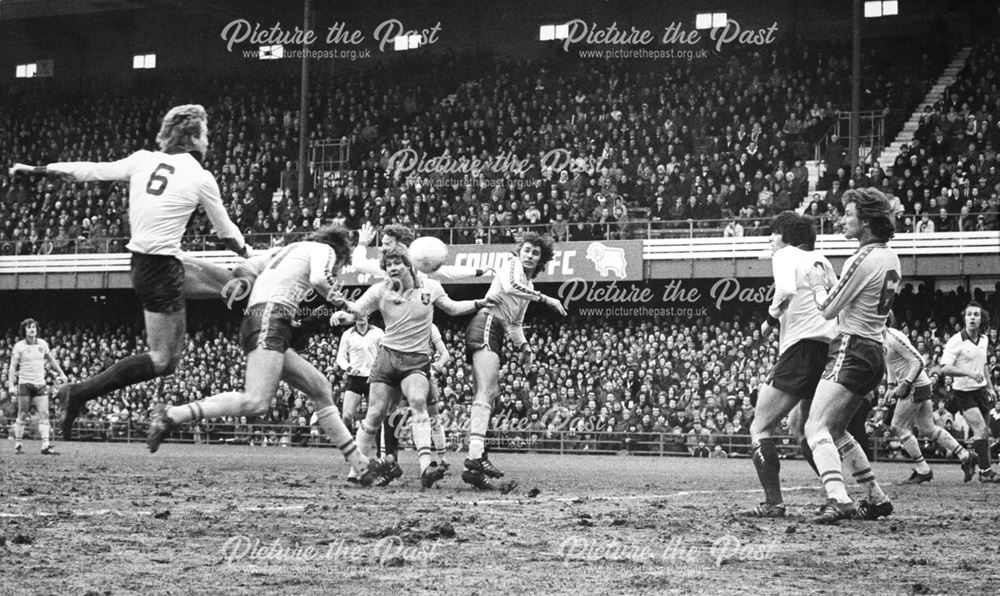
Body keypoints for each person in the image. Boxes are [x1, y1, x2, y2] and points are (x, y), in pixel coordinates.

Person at [9, 105, 251, 441]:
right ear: (194, 138)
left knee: (238, 282)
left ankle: (267, 329)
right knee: (164, 360)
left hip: (154, 263)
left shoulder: (142, 160)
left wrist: (38, 169)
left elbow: (89, 171)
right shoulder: (200, 176)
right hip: (161, 269)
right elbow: (226, 232)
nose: (209, 140)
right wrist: (247, 251)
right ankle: (79, 392)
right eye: (206, 133)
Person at [145, 225, 390, 485]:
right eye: (340, 266)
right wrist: (347, 304)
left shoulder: (281, 251)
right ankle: (172, 415)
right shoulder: (325, 250)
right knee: (256, 402)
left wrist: (264, 292)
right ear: (340, 254)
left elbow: (245, 269)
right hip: (269, 320)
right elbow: (320, 279)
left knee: (319, 387)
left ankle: (360, 466)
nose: (337, 270)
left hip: (265, 319)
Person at [332, 245, 492, 488]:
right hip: (387, 358)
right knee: (374, 414)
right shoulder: (379, 290)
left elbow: (453, 308)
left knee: (418, 402)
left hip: (416, 359)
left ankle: (426, 467)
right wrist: (344, 310)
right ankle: (358, 470)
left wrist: (480, 302)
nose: (393, 268)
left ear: (409, 265)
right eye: (388, 264)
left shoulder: (431, 288)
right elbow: (357, 310)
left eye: (397, 262)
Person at [804, 188, 900, 524]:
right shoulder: (890, 257)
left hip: (852, 347)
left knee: (814, 427)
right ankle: (876, 496)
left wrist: (817, 283)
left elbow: (829, 309)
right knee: (838, 429)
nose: (843, 219)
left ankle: (838, 498)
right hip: (874, 350)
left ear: (867, 221)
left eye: (848, 214)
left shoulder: (861, 258)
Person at [743, 212, 837, 518]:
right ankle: (836, 494)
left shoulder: (785, 255)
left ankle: (773, 503)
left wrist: (770, 319)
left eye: (773, 233)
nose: (771, 239)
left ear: (786, 236)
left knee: (760, 426)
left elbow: (784, 289)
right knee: (803, 428)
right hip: (826, 348)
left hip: (800, 349)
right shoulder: (822, 260)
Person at [463, 232, 567, 490]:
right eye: (527, 250)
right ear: (519, 252)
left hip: (496, 328)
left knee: (489, 393)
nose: (529, 256)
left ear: (542, 261)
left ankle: (479, 457)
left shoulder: (528, 288)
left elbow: (516, 323)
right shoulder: (511, 266)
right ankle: (475, 459)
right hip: (486, 322)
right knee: (487, 391)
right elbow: (509, 288)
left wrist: (525, 347)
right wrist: (546, 298)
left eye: (535, 253)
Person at [886, 312, 978, 483]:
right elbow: (891, 363)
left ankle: (923, 469)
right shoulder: (879, 337)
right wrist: (891, 387)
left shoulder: (893, 336)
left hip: (915, 384)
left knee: (898, 427)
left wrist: (905, 383)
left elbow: (918, 360)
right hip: (919, 384)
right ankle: (965, 455)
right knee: (928, 428)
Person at [937, 301, 999, 482]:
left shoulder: (985, 339)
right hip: (963, 393)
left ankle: (969, 460)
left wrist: (989, 386)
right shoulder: (956, 341)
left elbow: (985, 363)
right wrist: (969, 373)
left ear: (982, 319)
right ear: (964, 318)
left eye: (976, 314)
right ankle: (986, 472)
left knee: (984, 432)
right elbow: (945, 368)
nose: (972, 317)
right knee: (980, 430)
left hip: (981, 392)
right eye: (969, 314)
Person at [336, 314, 384, 484]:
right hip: (354, 378)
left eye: (363, 315)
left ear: (368, 316)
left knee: (374, 420)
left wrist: (379, 369)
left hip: (373, 379)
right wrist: (348, 367)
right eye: (357, 316)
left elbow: (385, 352)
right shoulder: (348, 335)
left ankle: (375, 455)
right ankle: (349, 450)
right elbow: (340, 357)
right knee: (346, 416)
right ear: (354, 318)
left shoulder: (378, 333)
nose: (361, 318)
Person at [8, 318, 68, 454]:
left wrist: (61, 373)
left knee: (45, 413)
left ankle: (45, 445)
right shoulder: (19, 346)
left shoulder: (42, 344)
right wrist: (11, 385)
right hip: (25, 384)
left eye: (34, 327)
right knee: (22, 414)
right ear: (24, 330)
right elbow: (12, 367)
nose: (32, 329)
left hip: (40, 384)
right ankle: (18, 444)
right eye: (29, 327)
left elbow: (51, 359)